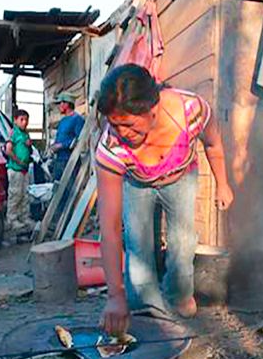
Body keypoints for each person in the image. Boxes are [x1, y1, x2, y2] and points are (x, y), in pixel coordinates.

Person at [95, 64, 234, 335]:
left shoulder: (193, 111)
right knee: (138, 245)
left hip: (180, 177)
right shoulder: (110, 149)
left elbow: (214, 145)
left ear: (153, 110)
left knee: (182, 241)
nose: (122, 133)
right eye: (114, 124)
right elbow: (109, 231)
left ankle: (178, 296)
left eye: (129, 124)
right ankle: (145, 310)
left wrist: (223, 184)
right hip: (137, 183)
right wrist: (114, 296)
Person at [5, 109, 35, 233]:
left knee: (25, 195)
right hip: (16, 169)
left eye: (26, 120)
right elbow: (8, 150)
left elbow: (30, 150)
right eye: (21, 120)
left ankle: (24, 217)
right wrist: (18, 161)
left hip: (24, 169)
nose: (24, 122)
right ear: (15, 120)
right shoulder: (14, 133)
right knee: (15, 194)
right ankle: (12, 219)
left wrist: (29, 146)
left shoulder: (25, 134)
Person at [50, 92, 85, 180]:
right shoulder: (63, 120)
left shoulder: (77, 119)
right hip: (59, 159)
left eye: (61, 103)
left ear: (67, 104)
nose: (59, 106)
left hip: (70, 161)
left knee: (68, 189)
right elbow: (60, 137)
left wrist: (61, 145)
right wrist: (54, 146)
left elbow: (79, 140)